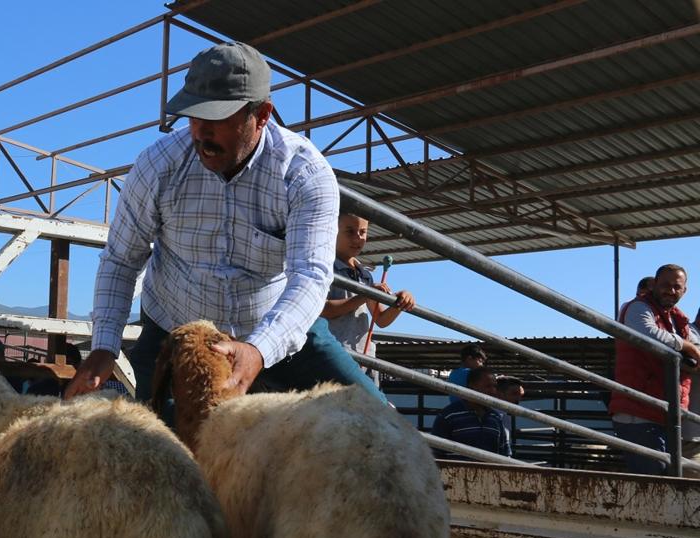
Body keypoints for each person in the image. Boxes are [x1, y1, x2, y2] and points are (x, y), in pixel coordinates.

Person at [65, 41, 381, 403]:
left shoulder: (303, 174)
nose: (201, 133)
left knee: (373, 418)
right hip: (176, 329)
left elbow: (310, 276)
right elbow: (121, 258)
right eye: (194, 117)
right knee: (165, 448)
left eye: (217, 119)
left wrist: (259, 349)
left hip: (271, 327)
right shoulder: (158, 166)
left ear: (261, 115)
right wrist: (104, 346)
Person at [609, 264, 700, 475]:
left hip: (664, 413)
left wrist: (690, 351)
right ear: (654, 285)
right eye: (666, 285)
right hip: (639, 412)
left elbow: (691, 346)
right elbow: (648, 333)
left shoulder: (676, 319)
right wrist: (688, 348)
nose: (671, 290)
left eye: (677, 287)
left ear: (684, 290)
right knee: (655, 481)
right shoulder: (638, 308)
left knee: (665, 481)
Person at [322, 213, 416, 377]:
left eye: (362, 232)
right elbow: (323, 309)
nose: (357, 238)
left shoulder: (365, 274)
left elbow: (380, 319)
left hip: (365, 358)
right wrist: (365, 295)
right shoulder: (326, 268)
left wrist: (399, 303)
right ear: (333, 230)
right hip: (335, 355)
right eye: (350, 232)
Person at [432, 367, 511, 458]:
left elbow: (504, 453)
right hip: (454, 471)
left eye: (494, 386)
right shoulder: (449, 416)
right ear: (472, 385)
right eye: (488, 386)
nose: (493, 391)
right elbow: (436, 453)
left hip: (488, 471)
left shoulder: (495, 417)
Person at [495, 375, 525, 448]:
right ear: (499, 394)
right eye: (514, 394)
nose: (518, 399)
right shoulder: (497, 415)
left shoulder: (503, 413)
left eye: (520, 395)